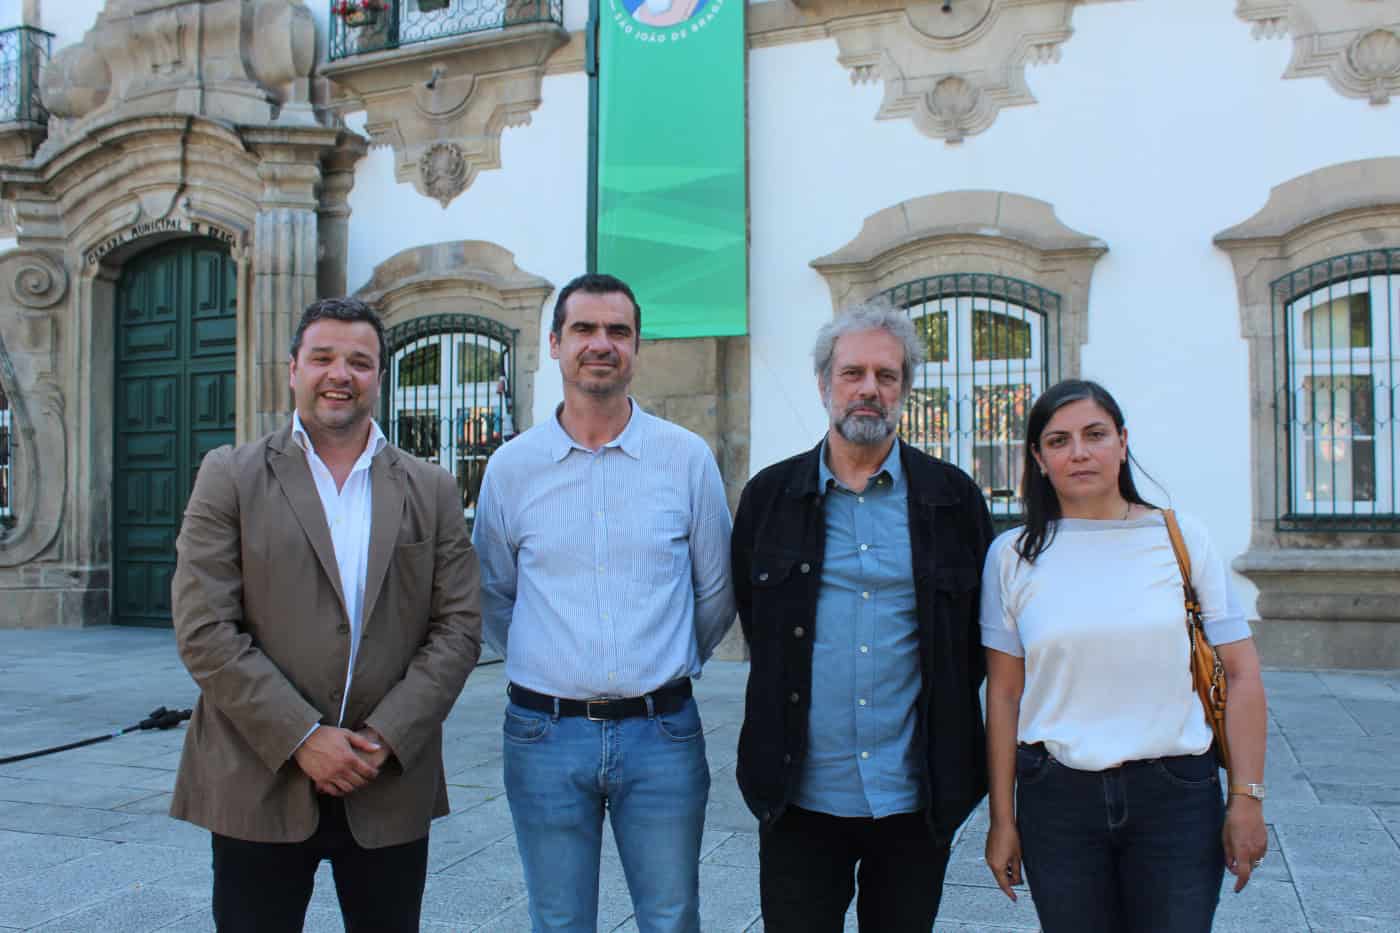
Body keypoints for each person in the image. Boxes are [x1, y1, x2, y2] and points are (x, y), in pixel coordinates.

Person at [170, 297, 483, 933]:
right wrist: (303, 738)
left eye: (359, 361)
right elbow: (205, 629)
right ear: (293, 369)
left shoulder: (431, 488)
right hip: (258, 776)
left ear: (378, 377)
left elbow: (458, 629)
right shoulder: (230, 475)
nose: (340, 373)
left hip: (387, 778)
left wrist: (386, 736)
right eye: (323, 358)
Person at [471, 273, 735, 933]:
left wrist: (663, 657)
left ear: (636, 348)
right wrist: (551, 658)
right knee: (558, 921)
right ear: (556, 343)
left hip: (662, 732)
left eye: (618, 331)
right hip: (543, 734)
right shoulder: (511, 468)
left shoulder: (685, 460)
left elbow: (716, 592)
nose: (601, 343)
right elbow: (494, 594)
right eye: (584, 329)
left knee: (671, 917)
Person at [732, 302, 994, 933]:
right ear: (824, 384)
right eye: (852, 373)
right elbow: (754, 615)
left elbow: (977, 642)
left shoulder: (953, 499)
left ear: (904, 389)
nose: (869, 389)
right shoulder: (769, 496)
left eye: (887, 375)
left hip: (915, 799)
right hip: (799, 797)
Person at [980, 378, 1269, 933]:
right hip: (1057, 798)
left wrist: (1247, 800)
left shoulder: (1181, 537)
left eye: (1095, 434)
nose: (1080, 452)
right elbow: (1005, 694)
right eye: (1059, 440)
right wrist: (1002, 819)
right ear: (1038, 459)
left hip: (1177, 799)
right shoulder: (1012, 557)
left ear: (1122, 441)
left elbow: (1242, 672)